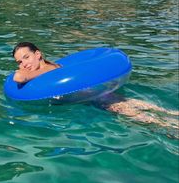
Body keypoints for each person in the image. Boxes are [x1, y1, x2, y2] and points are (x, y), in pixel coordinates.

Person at [12, 42, 178, 128]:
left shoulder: (49, 70)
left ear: (38, 54)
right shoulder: (54, 66)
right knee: (142, 106)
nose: (23, 64)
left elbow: (19, 77)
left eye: (26, 57)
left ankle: (171, 129)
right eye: (19, 61)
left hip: (96, 100)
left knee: (145, 119)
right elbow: (19, 76)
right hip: (97, 93)